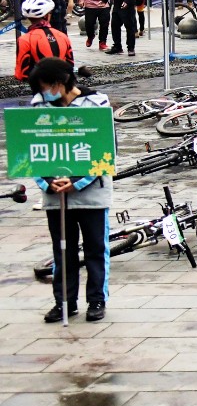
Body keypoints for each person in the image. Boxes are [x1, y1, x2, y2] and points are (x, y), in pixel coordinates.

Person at [29, 57, 113, 324]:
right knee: (62, 250)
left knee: (95, 249)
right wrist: (46, 182)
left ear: (60, 82)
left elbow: (105, 148)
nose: (44, 92)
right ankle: (64, 301)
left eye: (46, 86)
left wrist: (77, 181)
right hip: (55, 195)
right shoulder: (39, 106)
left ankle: (96, 300)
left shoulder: (96, 104)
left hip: (91, 193)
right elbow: (30, 147)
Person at [15, 0, 73, 81]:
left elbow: (21, 74)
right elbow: (70, 66)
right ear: (46, 15)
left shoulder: (25, 39)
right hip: (62, 85)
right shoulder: (62, 36)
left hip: (39, 85)